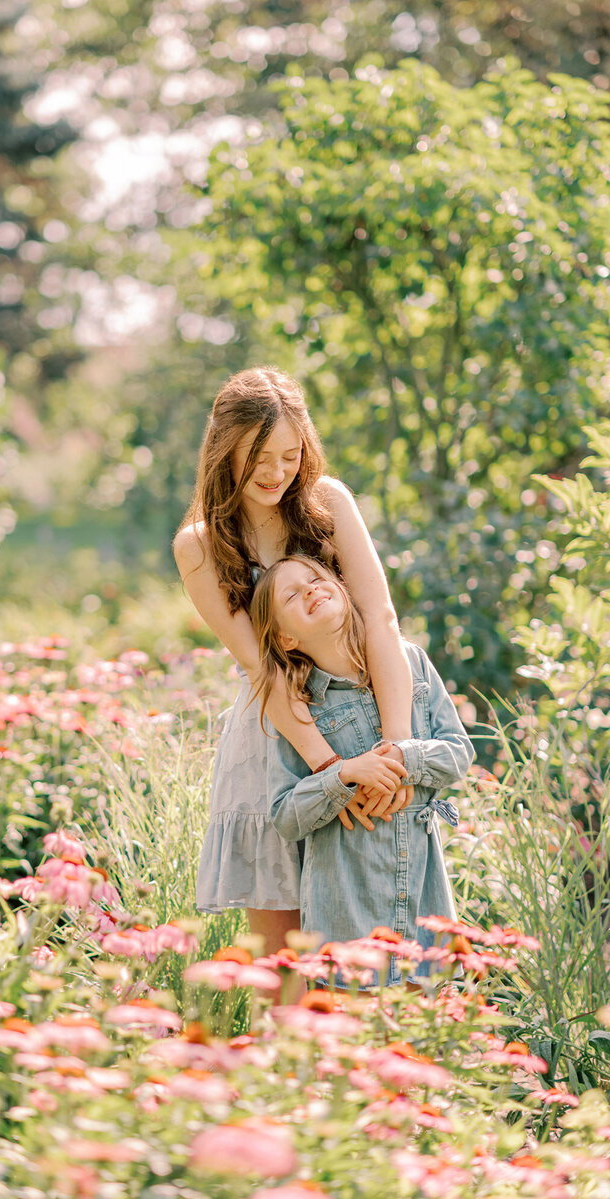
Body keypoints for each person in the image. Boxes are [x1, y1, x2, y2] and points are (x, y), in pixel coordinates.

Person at [173, 367, 414, 955]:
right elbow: (264, 669)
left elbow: (381, 621)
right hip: (279, 747)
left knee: (366, 953)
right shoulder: (200, 544)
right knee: (286, 964)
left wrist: (395, 750)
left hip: (369, 734)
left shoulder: (328, 502)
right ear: (222, 447)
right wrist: (333, 771)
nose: (276, 472)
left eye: (289, 455)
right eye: (257, 455)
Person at [250, 555, 474, 984]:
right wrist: (346, 775)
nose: (311, 589)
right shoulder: (297, 706)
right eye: (292, 595)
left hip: (422, 894)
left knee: (423, 1035)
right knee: (355, 1039)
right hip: (346, 909)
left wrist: (404, 759)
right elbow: (285, 815)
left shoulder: (411, 663)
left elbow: (459, 752)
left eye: (315, 579)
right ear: (286, 637)